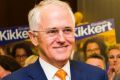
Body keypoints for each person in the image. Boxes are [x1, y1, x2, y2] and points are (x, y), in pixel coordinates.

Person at [2, 0, 108, 80]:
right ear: (34, 38)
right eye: (52, 31)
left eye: (67, 30)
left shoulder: (96, 76)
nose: (62, 39)